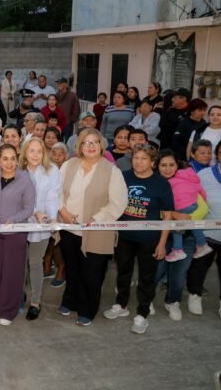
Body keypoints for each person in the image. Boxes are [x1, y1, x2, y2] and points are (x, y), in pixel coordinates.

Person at [57, 128, 128, 326]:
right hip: (69, 228)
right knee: (72, 269)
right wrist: (62, 211)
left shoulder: (112, 171)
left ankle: (87, 309)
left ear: (101, 145)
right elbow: (56, 192)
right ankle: (70, 300)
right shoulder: (69, 165)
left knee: (92, 272)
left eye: (95, 142)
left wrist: (97, 219)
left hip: (96, 230)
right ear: (79, 146)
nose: (90, 146)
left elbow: (118, 202)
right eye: (86, 142)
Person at [102, 145, 172, 334]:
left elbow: (167, 216)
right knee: (123, 272)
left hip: (149, 239)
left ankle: (142, 314)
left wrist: (162, 243)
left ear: (152, 162)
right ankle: (121, 305)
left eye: (143, 159)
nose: (138, 162)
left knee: (146, 278)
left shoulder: (161, 183)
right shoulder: (123, 177)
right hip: (124, 237)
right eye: (135, 158)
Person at [0, 144, 36, 326]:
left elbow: (29, 208)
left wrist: (14, 219)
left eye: (13, 158)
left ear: (17, 159)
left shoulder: (25, 179)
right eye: (5, 158)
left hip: (16, 231)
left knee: (12, 272)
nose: (9, 162)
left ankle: (8, 310)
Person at [187, 138, 221, 320]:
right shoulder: (204, 175)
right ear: (216, 155)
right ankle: (194, 295)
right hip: (207, 233)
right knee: (199, 267)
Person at [20, 137, 62, 321]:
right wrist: (34, 212)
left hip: (42, 224)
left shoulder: (52, 171)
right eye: (31, 151)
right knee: (20, 262)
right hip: (20, 221)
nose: (35, 155)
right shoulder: (18, 170)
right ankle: (19, 294)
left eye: (39, 151)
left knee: (36, 263)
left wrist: (52, 218)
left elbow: (53, 197)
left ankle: (35, 302)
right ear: (25, 152)